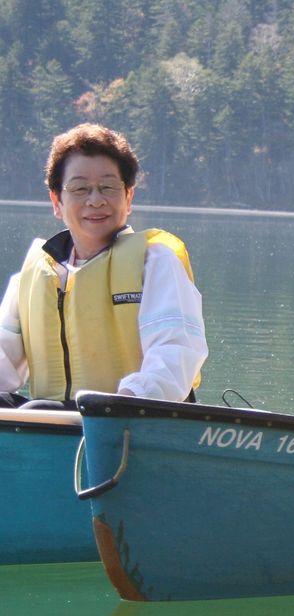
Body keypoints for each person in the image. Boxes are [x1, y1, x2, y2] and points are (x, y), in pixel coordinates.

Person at [0, 123, 207, 408]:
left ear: (128, 197)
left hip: (132, 417)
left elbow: (175, 353)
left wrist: (124, 402)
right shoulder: (30, 277)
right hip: (52, 422)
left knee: (39, 409)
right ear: (57, 201)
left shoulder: (155, 262)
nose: (95, 200)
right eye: (80, 189)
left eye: (108, 187)